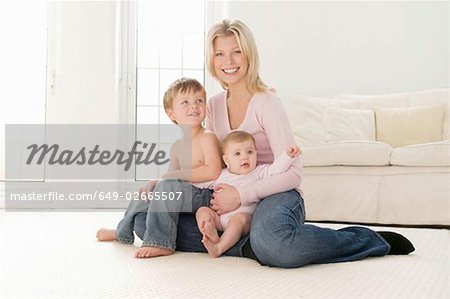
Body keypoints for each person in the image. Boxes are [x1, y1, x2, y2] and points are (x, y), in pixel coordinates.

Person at [133, 19, 415, 268]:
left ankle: (361, 239)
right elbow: (214, 167)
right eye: (220, 53)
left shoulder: (267, 102)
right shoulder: (213, 106)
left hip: (274, 193)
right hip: (231, 198)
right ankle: (250, 243)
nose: (228, 61)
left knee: (277, 246)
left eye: (236, 51)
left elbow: (293, 173)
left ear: (249, 55)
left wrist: (241, 196)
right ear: (212, 60)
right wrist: (166, 183)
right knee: (147, 223)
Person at [96, 77, 222, 258]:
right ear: (172, 114)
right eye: (185, 102)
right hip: (184, 194)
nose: (194, 106)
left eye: (199, 101)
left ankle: (161, 242)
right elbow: (170, 178)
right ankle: (121, 231)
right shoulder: (177, 146)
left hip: (205, 196)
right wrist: (157, 182)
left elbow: (213, 171)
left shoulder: (207, 137)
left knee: (166, 186)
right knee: (146, 192)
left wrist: (172, 177)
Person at [195, 131, 300, 257]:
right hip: (220, 219)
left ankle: (219, 247)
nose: (244, 157)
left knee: (237, 220)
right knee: (202, 211)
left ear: (256, 153)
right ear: (226, 159)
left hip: (244, 220)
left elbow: (276, 169)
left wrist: (287, 156)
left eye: (249, 152)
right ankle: (210, 231)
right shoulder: (221, 175)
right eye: (237, 153)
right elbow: (202, 183)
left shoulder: (259, 172)